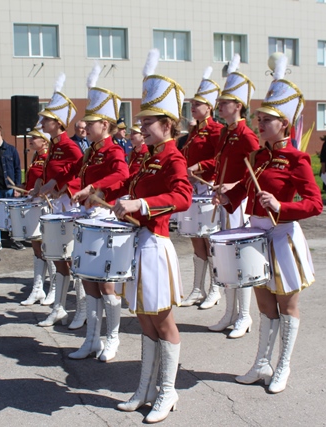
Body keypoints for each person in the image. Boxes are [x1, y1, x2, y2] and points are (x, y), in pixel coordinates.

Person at [215, 54, 322, 394]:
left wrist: (282, 206)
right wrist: (226, 197)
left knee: (286, 305)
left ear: (284, 125)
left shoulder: (297, 160)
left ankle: (283, 366)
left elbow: (315, 204)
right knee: (264, 305)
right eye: (259, 118)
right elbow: (244, 192)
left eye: (266, 120)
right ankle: (262, 363)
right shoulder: (258, 157)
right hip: (256, 235)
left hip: (282, 237)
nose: (259, 123)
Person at [108, 49, 191, 423]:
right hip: (138, 245)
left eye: (147, 122)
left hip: (155, 245)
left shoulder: (174, 157)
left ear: (167, 124)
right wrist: (109, 198)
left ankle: (168, 391)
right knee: (143, 318)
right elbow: (128, 187)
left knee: (162, 320)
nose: (140, 126)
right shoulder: (146, 157)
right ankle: (145, 388)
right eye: (141, 122)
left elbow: (182, 197)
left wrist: (140, 203)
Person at [69, 64, 130, 362]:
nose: (85, 125)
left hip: (106, 220)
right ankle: (91, 340)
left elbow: (122, 174)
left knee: (106, 284)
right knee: (88, 280)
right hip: (90, 219)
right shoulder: (92, 151)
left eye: (90, 123)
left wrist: (94, 187)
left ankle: (112, 338)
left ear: (104, 125)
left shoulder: (113, 150)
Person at [203, 55, 260, 339]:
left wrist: (233, 186)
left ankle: (244, 315)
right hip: (225, 202)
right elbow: (219, 166)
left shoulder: (247, 135)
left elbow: (256, 172)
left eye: (224, 102)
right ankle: (229, 313)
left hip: (240, 204)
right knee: (225, 259)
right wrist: (218, 188)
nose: (218, 105)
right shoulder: (225, 133)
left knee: (240, 259)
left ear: (238, 106)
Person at [30, 73, 84, 328]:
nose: (41, 122)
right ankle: (59, 309)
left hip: (69, 207)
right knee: (58, 258)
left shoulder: (70, 146)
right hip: (56, 207)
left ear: (58, 123)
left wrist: (63, 188)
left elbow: (82, 174)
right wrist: (40, 184)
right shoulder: (52, 145)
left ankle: (82, 310)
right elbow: (51, 172)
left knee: (72, 259)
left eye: (46, 119)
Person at [178, 66, 224, 310]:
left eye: (197, 104)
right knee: (195, 239)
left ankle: (215, 288)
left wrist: (199, 167)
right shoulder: (194, 130)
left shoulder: (217, 130)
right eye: (192, 104)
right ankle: (198, 288)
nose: (193, 107)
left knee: (209, 240)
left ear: (209, 107)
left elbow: (220, 159)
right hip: (193, 190)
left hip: (207, 189)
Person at [17, 124, 57, 307]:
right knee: (37, 247)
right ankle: (38, 288)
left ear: (44, 141)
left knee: (49, 248)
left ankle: (54, 288)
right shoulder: (36, 157)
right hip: (34, 204)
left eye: (34, 137)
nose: (31, 140)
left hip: (45, 205)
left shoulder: (48, 158)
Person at [0, 124, 23, 252]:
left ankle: (14, 239)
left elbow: (18, 169)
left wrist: (17, 188)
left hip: (9, 188)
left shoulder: (11, 150)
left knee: (12, 215)